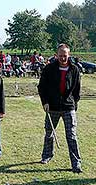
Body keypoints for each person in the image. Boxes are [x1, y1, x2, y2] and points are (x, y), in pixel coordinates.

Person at [38, 43, 82, 173]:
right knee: (49, 133)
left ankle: (76, 163)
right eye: (60, 55)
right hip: (52, 107)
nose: (63, 58)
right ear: (56, 55)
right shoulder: (49, 69)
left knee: (72, 136)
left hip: (69, 107)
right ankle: (46, 156)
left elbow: (77, 90)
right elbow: (42, 87)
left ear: (69, 55)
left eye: (65, 55)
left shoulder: (74, 69)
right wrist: (45, 102)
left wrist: (74, 104)